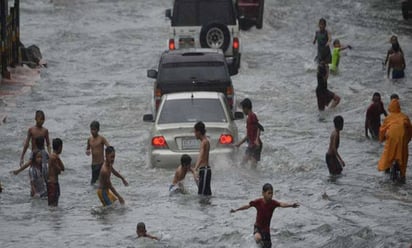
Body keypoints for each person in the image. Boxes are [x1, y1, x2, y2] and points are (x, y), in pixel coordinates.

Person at [230, 183, 299, 248]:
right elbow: (247, 206)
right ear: (263, 193)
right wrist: (236, 209)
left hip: (266, 230)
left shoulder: (273, 203)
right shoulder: (258, 202)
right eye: (269, 193)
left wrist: (291, 205)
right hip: (258, 227)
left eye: (272, 193)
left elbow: (282, 204)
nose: (271, 195)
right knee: (258, 238)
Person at [378, 99, 412, 184]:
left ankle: (386, 169)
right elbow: (410, 129)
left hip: (391, 137)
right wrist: (408, 139)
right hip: (402, 138)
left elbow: (382, 130)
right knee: (403, 156)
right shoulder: (404, 116)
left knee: (388, 154)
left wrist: (381, 139)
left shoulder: (388, 118)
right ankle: (403, 175)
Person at [235, 98, 263, 167]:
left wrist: (256, 140)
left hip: (256, 145)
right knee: (243, 164)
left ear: (246, 108)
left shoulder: (252, 116)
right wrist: (239, 143)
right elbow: (248, 135)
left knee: (250, 165)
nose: (242, 111)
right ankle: (250, 177)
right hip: (252, 144)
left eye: (243, 109)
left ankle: (254, 177)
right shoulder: (249, 118)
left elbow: (258, 128)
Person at [86, 121, 110, 185]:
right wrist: (87, 151)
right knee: (93, 183)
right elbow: (87, 149)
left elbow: (109, 147)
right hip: (93, 164)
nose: (92, 131)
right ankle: (93, 194)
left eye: (94, 130)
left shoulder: (101, 139)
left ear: (98, 130)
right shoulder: (89, 139)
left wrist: (108, 159)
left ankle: (103, 192)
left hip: (101, 163)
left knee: (102, 181)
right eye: (91, 129)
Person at [193, 121, 211, 196]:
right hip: (205, 170)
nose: (194, 134)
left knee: (201, 195)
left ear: (199, 132)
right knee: (206, 194)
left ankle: (203, 208)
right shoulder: (205, 141)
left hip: (205, 170)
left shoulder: (204, 142)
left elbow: (201, 156)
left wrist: (195, 168)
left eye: (195, 132)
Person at [47, 138, 65, 206]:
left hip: (54, 183)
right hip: (52, 183)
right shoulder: (53, 157)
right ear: (60, 147)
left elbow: (62, 168)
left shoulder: (54, 156)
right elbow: (60, 169)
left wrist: (58, 157)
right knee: (52, 204)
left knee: (54, 203)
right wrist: (58, 158)